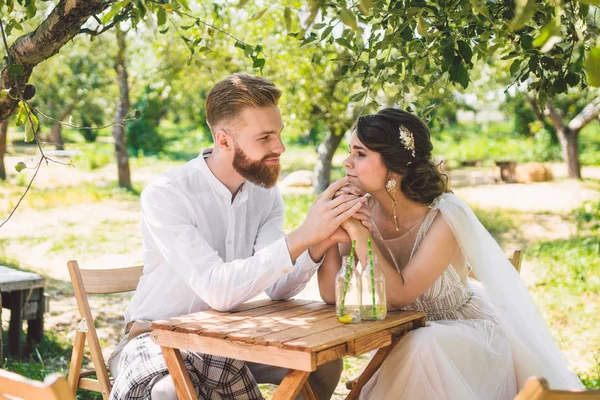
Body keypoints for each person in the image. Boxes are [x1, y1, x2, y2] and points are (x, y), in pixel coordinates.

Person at [108, 74, 366, 400]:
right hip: (158, 334)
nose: (280, 147)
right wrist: (303, 234)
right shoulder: (167, 194)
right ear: (224, 140)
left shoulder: (265, 194)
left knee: (325, 366)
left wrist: (318, 241)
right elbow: (219, 291)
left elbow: (278, 287)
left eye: (279, 134)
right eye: (265, 138)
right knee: (171, 391)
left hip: (230, 336)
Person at [317, 108, 584, 399]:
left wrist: (360, 235)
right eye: (349, 152)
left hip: (463, 337)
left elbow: (399, 295)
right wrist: (333, 227)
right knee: (419, 346)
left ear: (394, 166)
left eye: (360, 153)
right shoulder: (361, 209)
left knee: (423, 345)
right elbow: (333, 295)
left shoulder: (445, 214)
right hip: (402, 345)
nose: (347, 162)